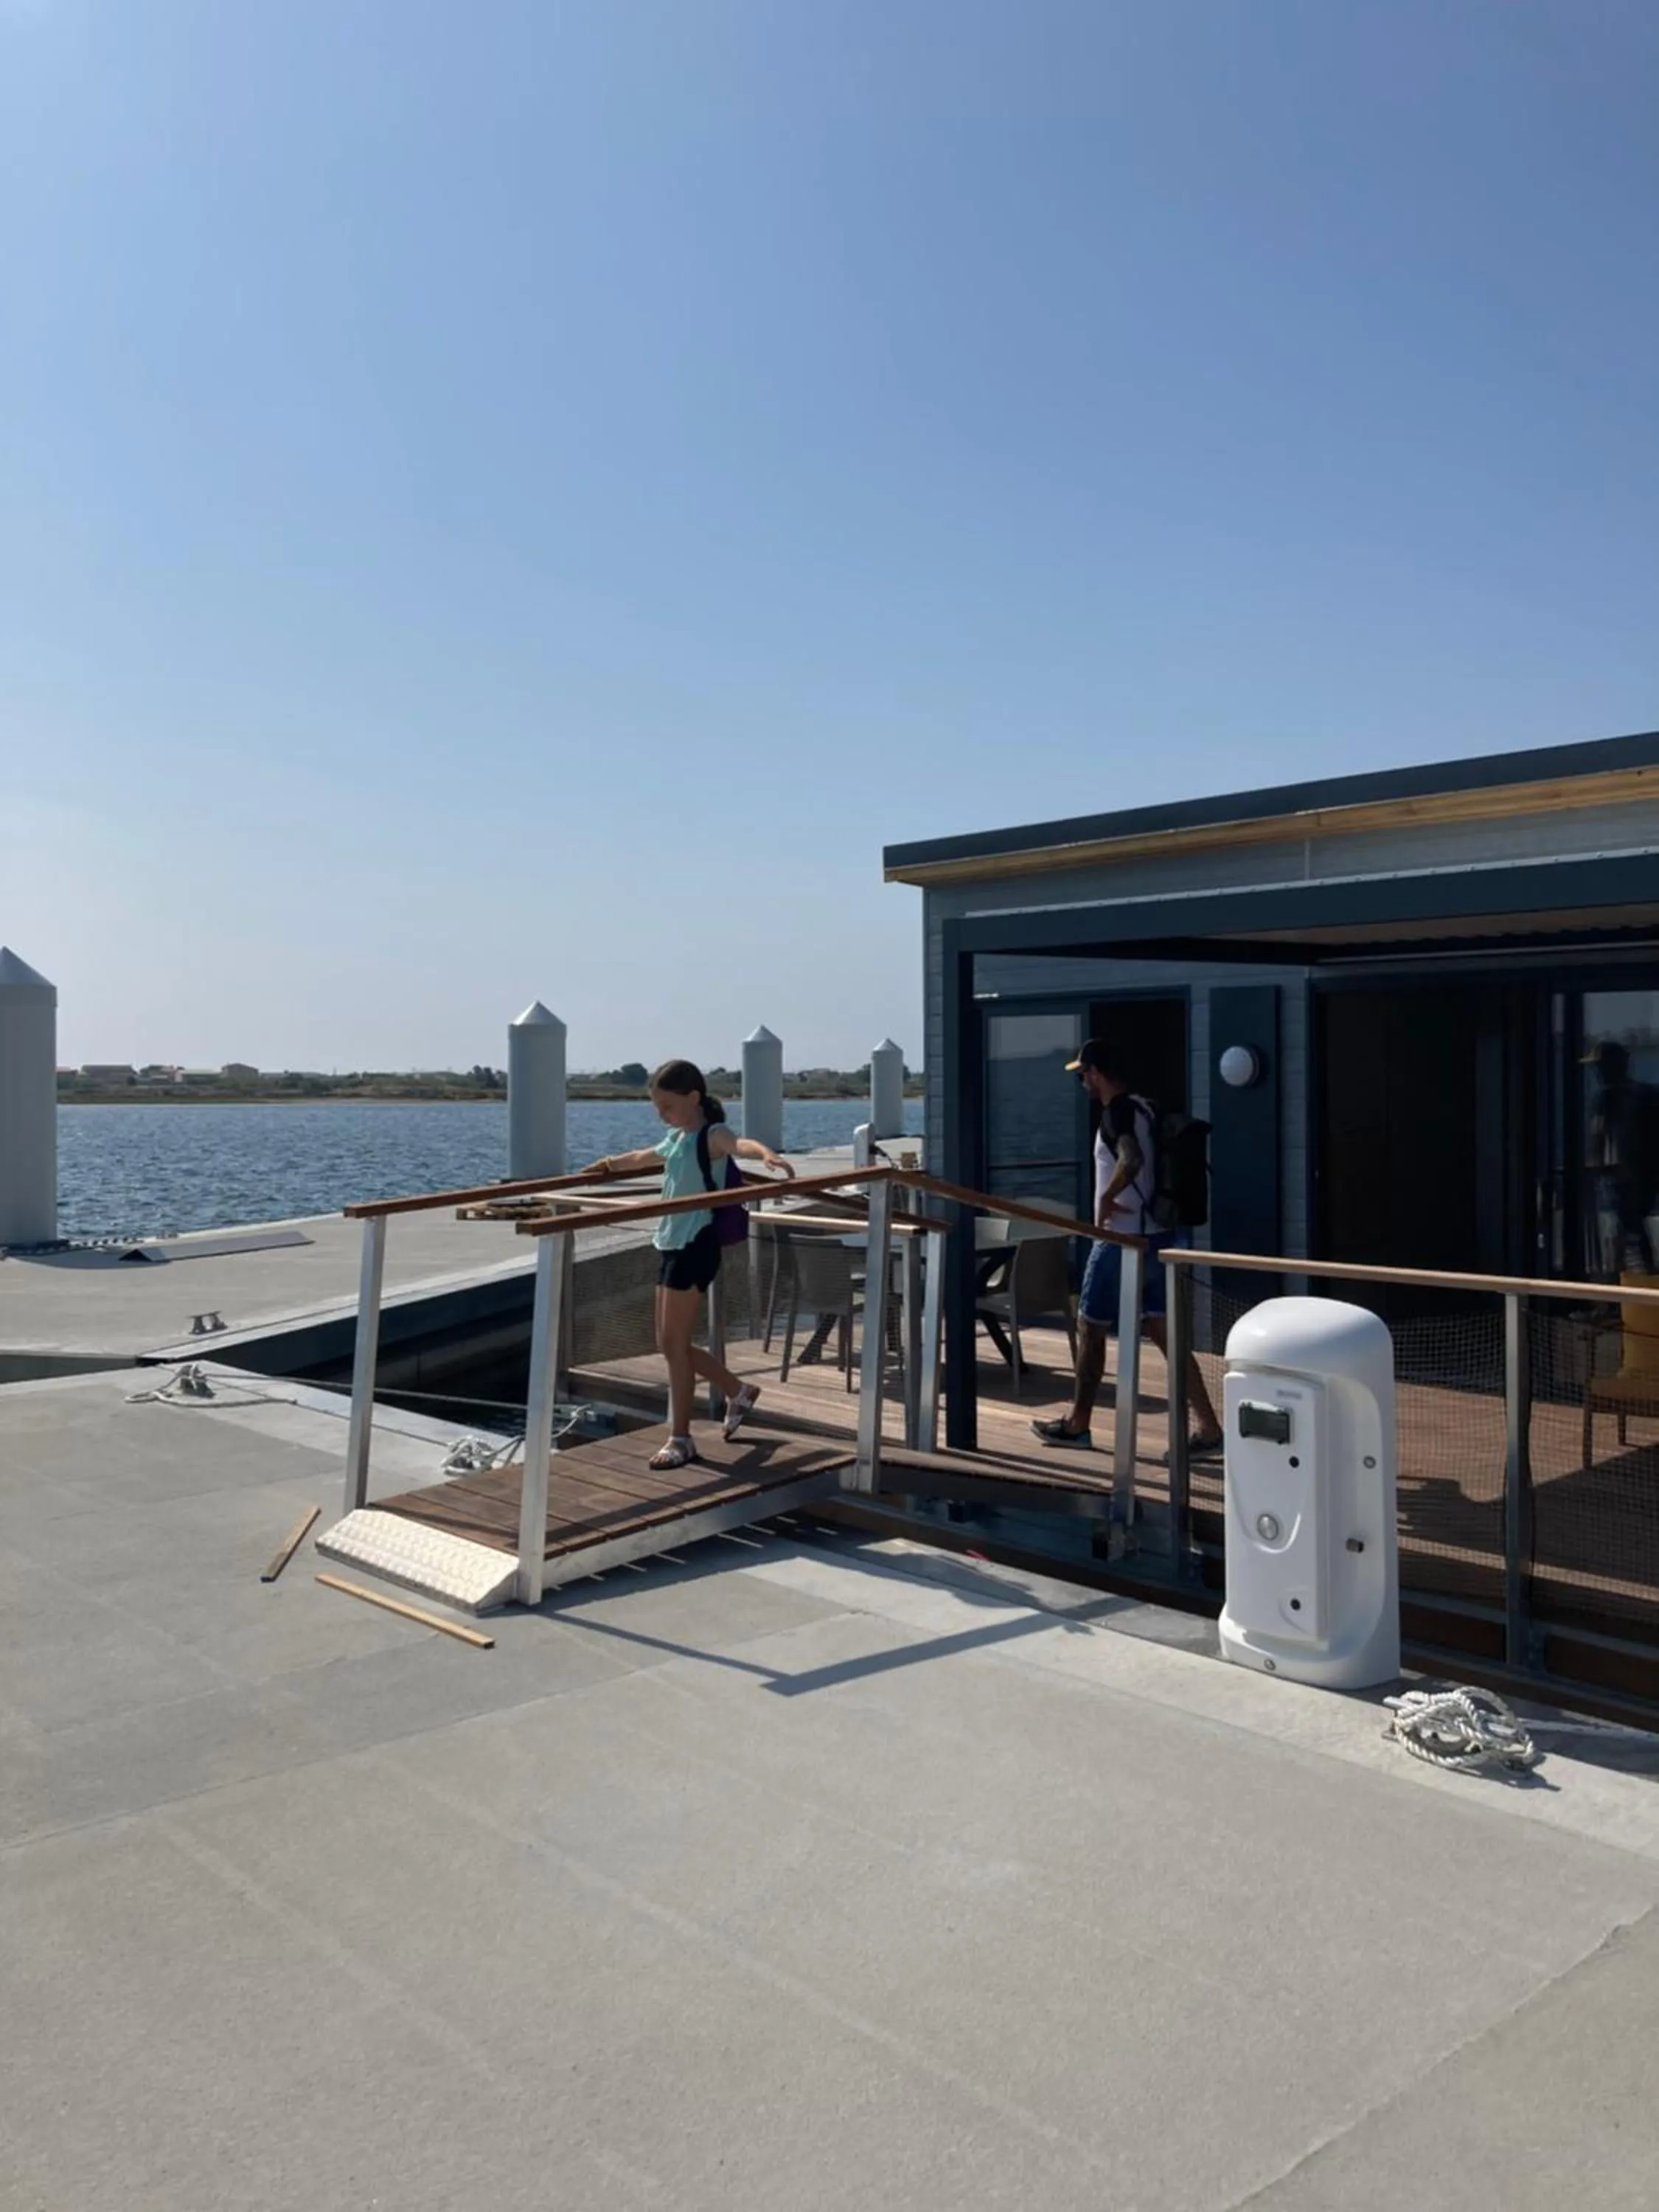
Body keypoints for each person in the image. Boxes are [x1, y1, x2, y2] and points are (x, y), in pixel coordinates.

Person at [585, 1059, 793, 1471]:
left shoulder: (711, 1135)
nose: (663, 1115)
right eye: (658, 1109)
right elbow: (642, 1156)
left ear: (693, 1098)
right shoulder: (677, 1139)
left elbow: (740, 1145)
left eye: (667, 1106)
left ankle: (681, 1438)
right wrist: (607, 1165)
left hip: (696, 1243)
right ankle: (738, 1390)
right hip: (671, 1243)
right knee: (667, 1343)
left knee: (674, 1346)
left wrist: (766, 1153)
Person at [1031, 1040, 1222, 1456]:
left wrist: (1104, 1199)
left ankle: (1078, 1425)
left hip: (1121, 1240)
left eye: (1083, 1073)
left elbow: (1131, 1160)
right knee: (1165, 1333)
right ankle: (1208, 1428)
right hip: (1158, 1237)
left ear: (1097, 1072)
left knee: (1090, 1326)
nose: (1082, 1080)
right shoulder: (1146, 1109)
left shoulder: (1115, 1112)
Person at [1585, 1039, 1659, 1274]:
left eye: (1599, 1067)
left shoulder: (1605, 1098)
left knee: (1624, 1232)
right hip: (1646, 1178)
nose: (1597, 1073)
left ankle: (1616, 1293)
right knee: (1631, 1232)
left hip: (1621, 1178)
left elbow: (1598, 1137)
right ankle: (1640, 1286)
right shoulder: (1649, 1094)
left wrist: (1595, 1166)